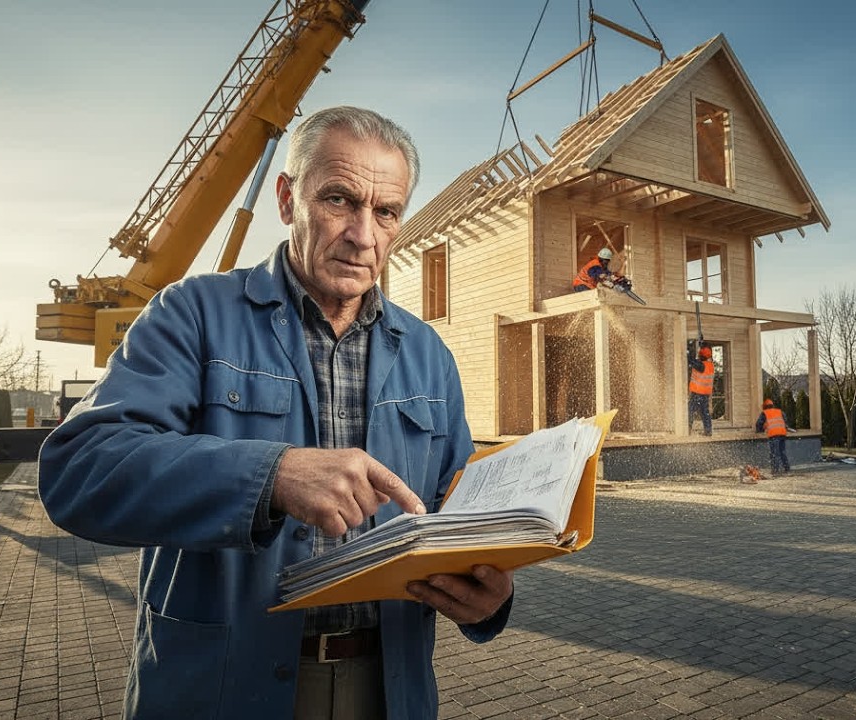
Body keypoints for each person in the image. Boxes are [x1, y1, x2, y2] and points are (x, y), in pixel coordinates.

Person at [38, 106, 515, 720]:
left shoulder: (429, 354)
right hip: (222, 689)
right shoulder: (192, 314)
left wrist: (489, 595)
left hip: (390, 687)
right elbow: (80, 470)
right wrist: (272, 475)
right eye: (340, 200)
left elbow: (455, 516)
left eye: (387, 211)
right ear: (288, 199)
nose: (363, 234)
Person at [754, 399, 790, 475]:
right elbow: (785, 421)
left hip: (774, 435)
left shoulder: (765, 413)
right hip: (782, 434)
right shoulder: (780, 411)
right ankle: (787, 469)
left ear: (765, 407)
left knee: (774, 453)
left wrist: (759, 431)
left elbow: (759, 423)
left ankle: (775, 471)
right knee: (782, 452)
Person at [687, 345, 714, 436]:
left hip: (698, 393)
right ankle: (708, 431)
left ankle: (687, 429)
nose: (699, 356)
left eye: (700, 355)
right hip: (705, 394)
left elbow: (690, 360)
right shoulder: (710, 365)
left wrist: (689, 349)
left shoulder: (701, 365)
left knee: (690, 411)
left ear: (702, 356)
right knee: (705, 413)